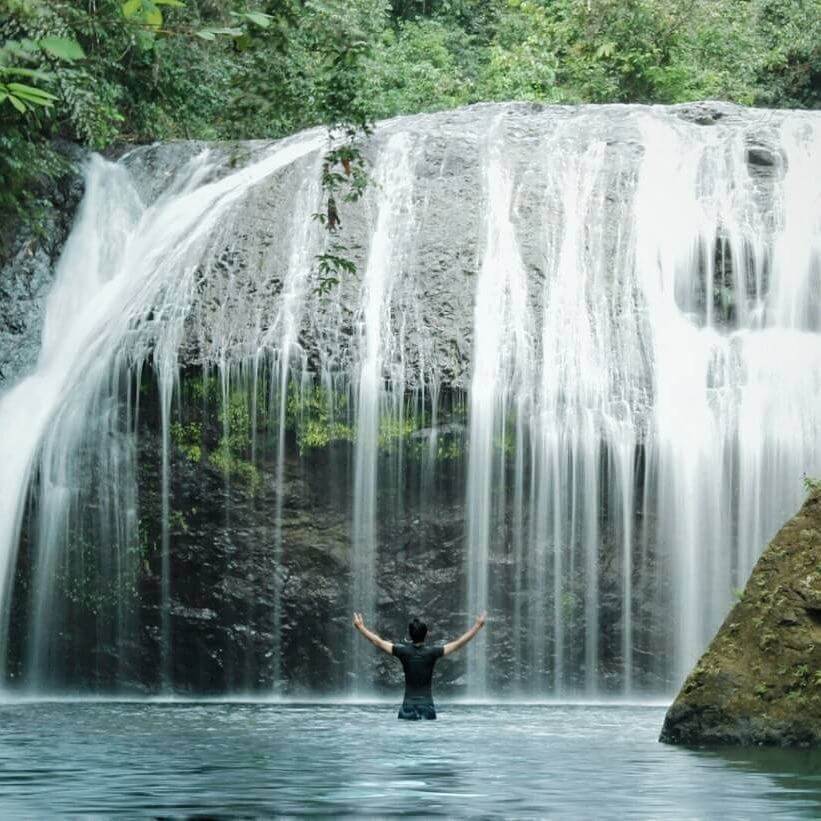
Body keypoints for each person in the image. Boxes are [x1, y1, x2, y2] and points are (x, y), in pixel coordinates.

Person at [352, 611, 487, 720]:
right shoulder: (433, 652)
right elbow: (459, 644)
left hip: (407, 709)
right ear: (427, 634)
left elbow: (378, 642)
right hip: (427, 708)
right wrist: (477, 626)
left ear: (409, 635)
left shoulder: (402, 651)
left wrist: (361, 627)